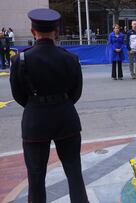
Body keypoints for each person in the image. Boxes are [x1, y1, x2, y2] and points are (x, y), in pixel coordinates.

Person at [9, 8, 88, 202]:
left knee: (36, 176)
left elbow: (18, 95)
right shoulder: (70, 58)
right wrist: (60, 102)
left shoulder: (20, 60)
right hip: (65, 116)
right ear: (56, 31)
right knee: (74, 172)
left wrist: (37, 104)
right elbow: (75, 93)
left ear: (32, 31)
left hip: (35, 120)